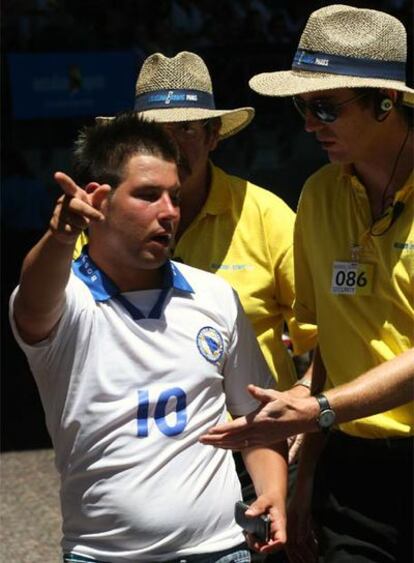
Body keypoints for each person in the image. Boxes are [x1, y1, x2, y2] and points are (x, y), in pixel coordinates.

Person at [9, 113, 289, 562]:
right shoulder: (67, 301)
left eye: (174, 196)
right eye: (147, 195)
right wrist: (60, 237)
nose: (170, 212)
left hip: (222, 551)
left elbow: (258, 418)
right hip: (102, 555)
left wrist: (272, 492)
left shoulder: (214, 296)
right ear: (97, 201)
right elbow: (33, 300)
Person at [200, 5, 414, 562]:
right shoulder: (319, 194)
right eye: (302, 106)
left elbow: (328, 395)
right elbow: (328, 350)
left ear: (387, 102)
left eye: (324, 107)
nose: (308, 124)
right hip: (354, 475)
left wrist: (319, 406)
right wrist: (303, 478)